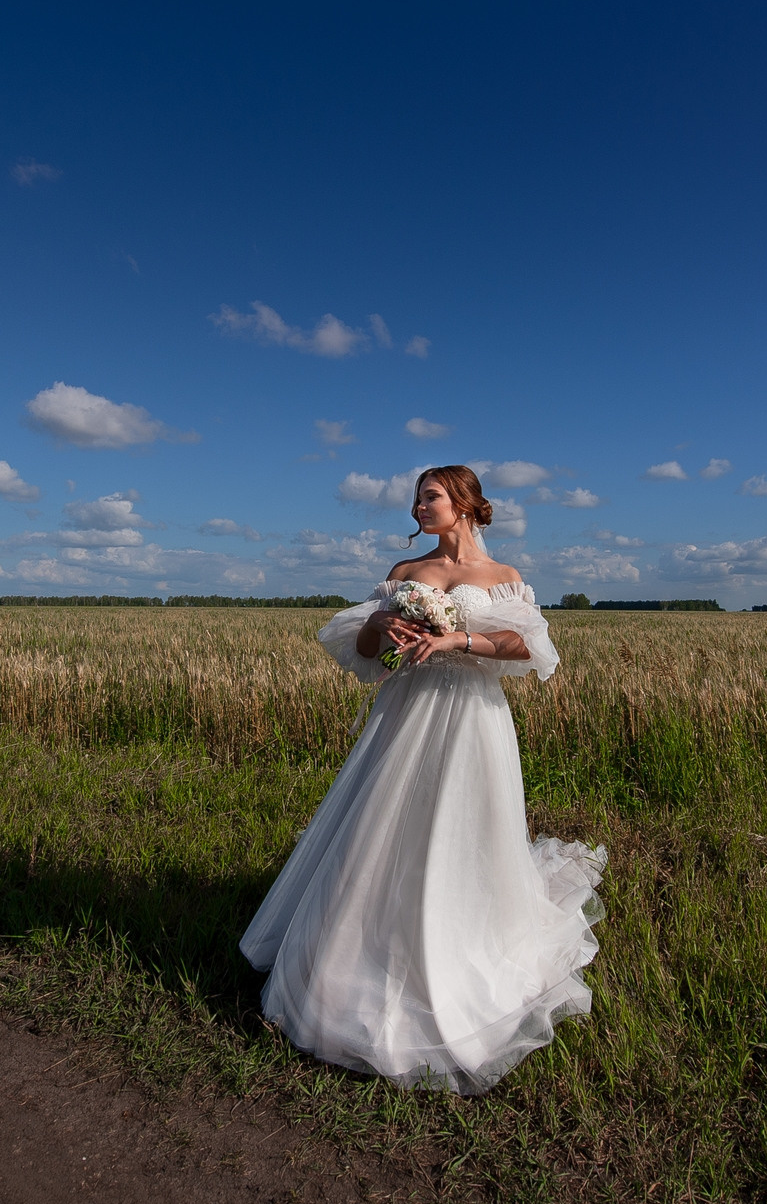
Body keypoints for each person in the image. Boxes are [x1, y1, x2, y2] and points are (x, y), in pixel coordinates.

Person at [240, 465, 606, 1094]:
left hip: (473, 720)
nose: (418, 508)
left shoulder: (505, 578)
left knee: (466, 834)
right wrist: (391, 629)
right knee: (381, 836)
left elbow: (530, 648)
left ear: (464, 503)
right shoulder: (406, 577)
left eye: (430, 497)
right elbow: (370, 653)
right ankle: (349, 971)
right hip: (406, 716)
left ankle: (459, 948)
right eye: (415, 499)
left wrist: (458, 639)